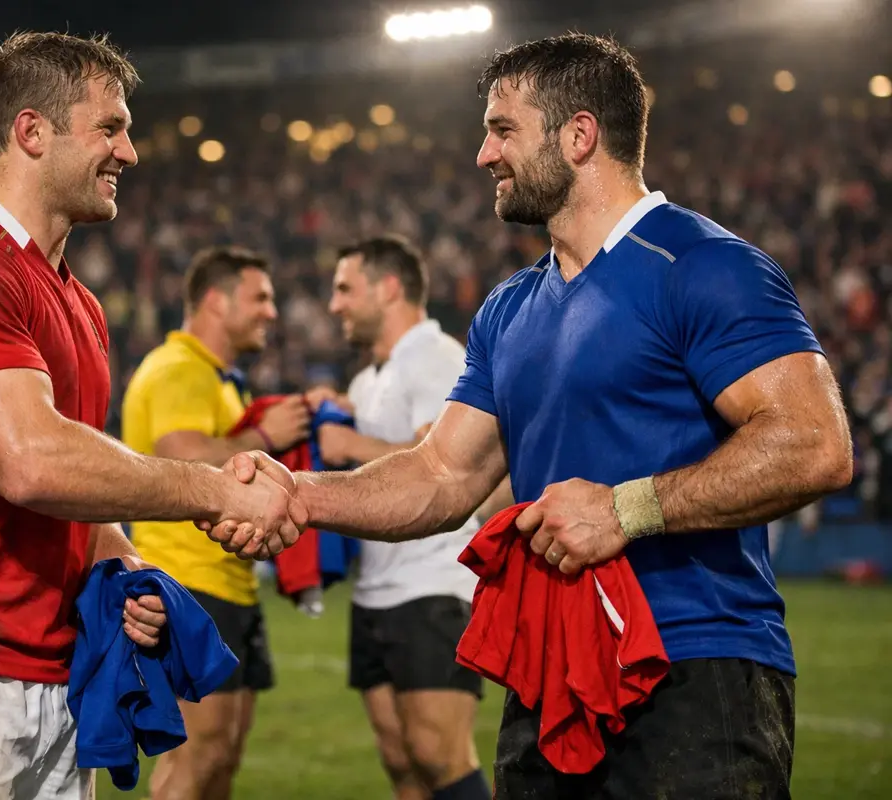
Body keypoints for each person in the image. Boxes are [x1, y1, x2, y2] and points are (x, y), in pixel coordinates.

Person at [207, 33, 853, 800]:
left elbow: (814, 442)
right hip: (547, 673)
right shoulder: (509, 309)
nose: (484, 155)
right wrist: (301, 495)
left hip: (696, 664)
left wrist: (626, 508)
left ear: (580, 136)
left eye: (502, 130)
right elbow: (442, 475)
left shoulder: (705, 265)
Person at [0, 32, 301, 800]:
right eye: (110, 128)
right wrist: (216, 491)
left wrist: (123, 565)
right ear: (31, 131)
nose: (130, 153)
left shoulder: (78, 300)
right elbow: (29, 460)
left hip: (47, 674)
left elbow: (76, 486)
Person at [121, 245, 310, 800]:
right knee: (194, 763)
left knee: (220, 758)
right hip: (190, 587)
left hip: (227, 586)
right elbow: (183, 456)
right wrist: (267, 437)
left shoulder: (221, 379)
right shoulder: (179, 368)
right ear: (214, 301)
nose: (271, 313)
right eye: (260, 298)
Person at [315, 235, 497, 800]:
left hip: (433, 585)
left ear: (388, 288)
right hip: (376, 590)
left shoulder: (439, 357)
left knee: (440, 757)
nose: (334, 304)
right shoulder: (369, 378)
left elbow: (441, 460)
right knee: (400, 761)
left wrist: (351, 442)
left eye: (346, 289)